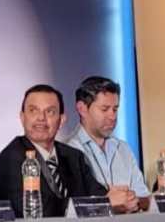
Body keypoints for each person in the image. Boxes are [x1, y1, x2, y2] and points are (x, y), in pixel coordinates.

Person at [0, 84, 106, 217]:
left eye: (50, 112)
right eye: (33, 111)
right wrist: (87, 206)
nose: (41, 118)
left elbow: (98, 195)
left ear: (61, 120)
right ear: (22, 118)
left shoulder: (74, 156)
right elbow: (35, 210)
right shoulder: (11, 157)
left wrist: (113, 199)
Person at [63, 75, 149, 213]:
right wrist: (109, 203)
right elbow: (71, 209)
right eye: (104, 109)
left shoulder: (123, 148)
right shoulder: (67, 151)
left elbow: (145, 198)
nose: (112, 116)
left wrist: (131, 200)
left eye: (115, 109)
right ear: (82, 109)